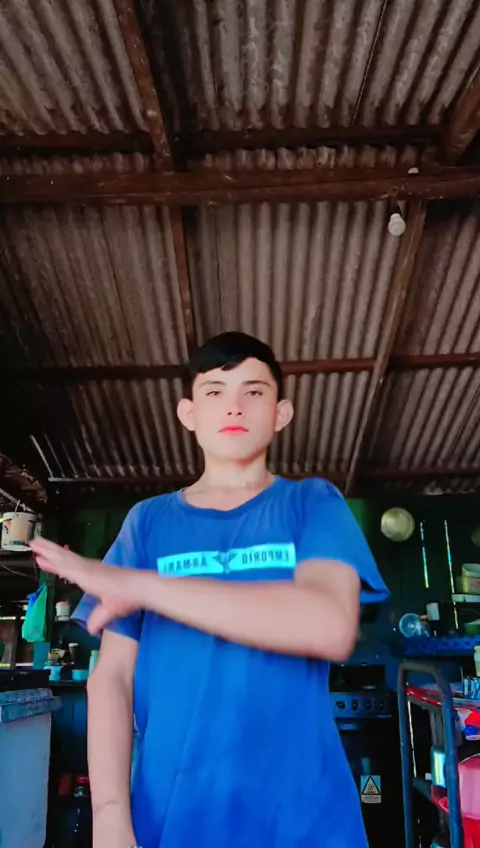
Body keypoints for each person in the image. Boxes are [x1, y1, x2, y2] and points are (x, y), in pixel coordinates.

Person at [31, 332, 389, 848]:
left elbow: (327, 624)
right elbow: (112, 678)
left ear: (281, 413)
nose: (234, 406)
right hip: (173, 812)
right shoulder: (148, 523)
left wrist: (141, 585)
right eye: (215, 391)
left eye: (254, 391)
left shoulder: (312, 503)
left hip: (304, 816)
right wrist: (109, 814)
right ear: (188, 412)